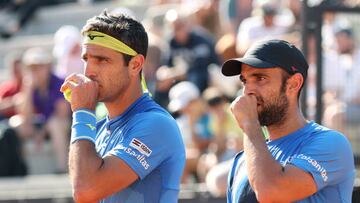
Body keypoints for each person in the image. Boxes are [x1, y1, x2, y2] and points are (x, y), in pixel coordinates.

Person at [60, 11, 185, 203]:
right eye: (87, 59)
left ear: (135, 65)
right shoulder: (100, 129)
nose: (89, 71)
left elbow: (85, 190)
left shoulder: (156, 124)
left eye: (102, 60)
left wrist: (83, 112)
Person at [221, 39, 355, 202]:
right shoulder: (242, 159)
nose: (248, 90)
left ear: (294, 84)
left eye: (260, 78)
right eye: (245, 81)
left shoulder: (332, 143)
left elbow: (271, 191)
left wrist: (249, 124)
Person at [18, 47, 71, 173]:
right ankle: (17, 169)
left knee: (54, 124)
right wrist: (28, 89)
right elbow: (25, 115)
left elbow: (62, 113)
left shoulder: (59, 82)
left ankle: (62, 167)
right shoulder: (31, 85)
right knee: (18, 124)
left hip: (66, 122)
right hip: (46, 123)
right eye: (32, 68)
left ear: (48, 66)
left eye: (39, 66)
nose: (35, 71)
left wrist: (42, 131)